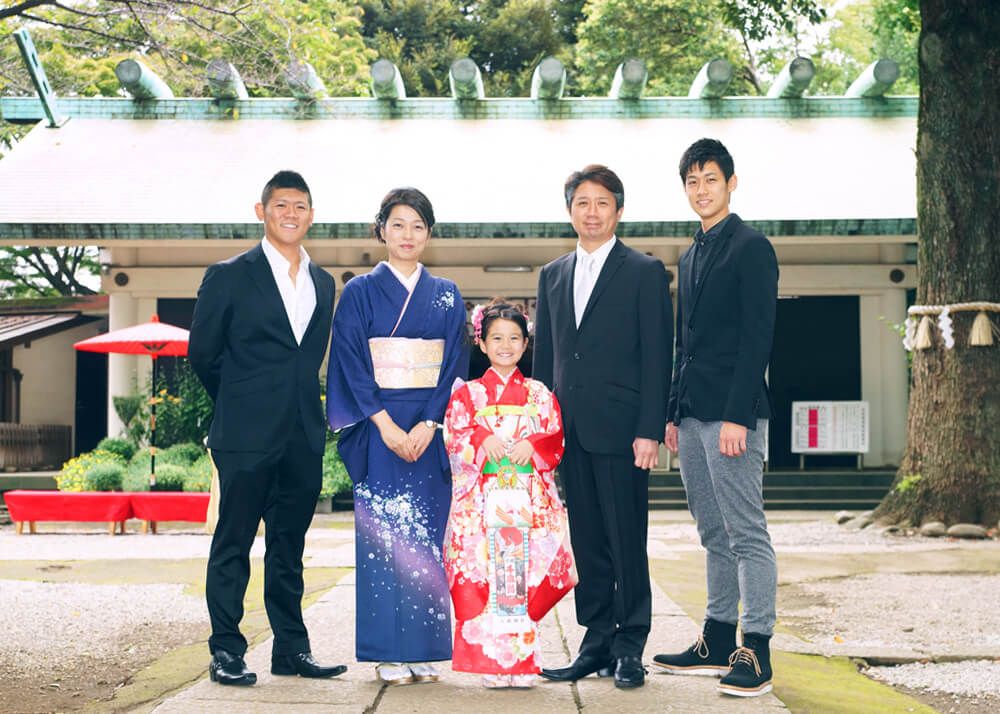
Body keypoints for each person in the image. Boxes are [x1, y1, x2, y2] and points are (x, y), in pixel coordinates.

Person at [189, 170, 346, 687]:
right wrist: (240, 405)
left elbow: (309, 360)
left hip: (302, 432)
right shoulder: (229, 275)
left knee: (290, 546)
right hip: (245, 433)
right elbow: (204, 356)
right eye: (281, 205)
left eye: (300, 206)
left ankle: (290, 649)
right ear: (262, 211)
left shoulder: (325, 282)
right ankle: (227, 651)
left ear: (311, 215)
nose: (291, 214)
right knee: (233, 542)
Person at [533, 165, 673, 689]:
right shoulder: (552, 275)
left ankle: (630, 643)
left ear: (618, 210)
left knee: (625, 539)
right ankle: (595, 642)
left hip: (622, 432)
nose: (592, 212)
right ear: (570, 210)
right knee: (586, 541)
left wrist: (649, 429)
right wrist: (543, 433)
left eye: (602, 203)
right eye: (582, 203)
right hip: (569, 433)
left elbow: (658, 356)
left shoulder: (643, 271)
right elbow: (545, 361)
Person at [652, 138, 779, 698]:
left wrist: (737, 416)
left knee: (746, 531)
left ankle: (758, 647)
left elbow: (757, 339)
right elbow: (687, 342)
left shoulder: (751, 247)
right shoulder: (692, 252)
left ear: (732, 182)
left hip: (734, 417)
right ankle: (717, 636)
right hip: (694, 414)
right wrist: (674, 412)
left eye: (710, 179)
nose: (701, 190)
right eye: (692, 182)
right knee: (712, 532)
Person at [325, 187, 467, 686]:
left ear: (430, 233)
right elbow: (350, 360)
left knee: (426, 537)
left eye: (418, 226)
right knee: (383, 537)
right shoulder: (360, 292)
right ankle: (387, 648)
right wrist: (384, 425)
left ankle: (426, 648)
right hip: (378, 426)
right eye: (399, 224)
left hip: (429, 428)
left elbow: (453, 363)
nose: (408, 235)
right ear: (381, 228)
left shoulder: (447, 293)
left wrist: (430, 424)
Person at [443, 299, 577, 689]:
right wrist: (482, 439)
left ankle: (522, 662)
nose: (505, 345)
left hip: (525, 498)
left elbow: (555, 436)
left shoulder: (539, 393)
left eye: (514, 338)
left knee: (519, 575)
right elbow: (455, 437)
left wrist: (532, 445)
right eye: (496, 337)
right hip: (482, 501)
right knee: (486, 572)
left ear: (525, 343)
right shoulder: (466, 395)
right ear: (481, 343)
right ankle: (489, 664)